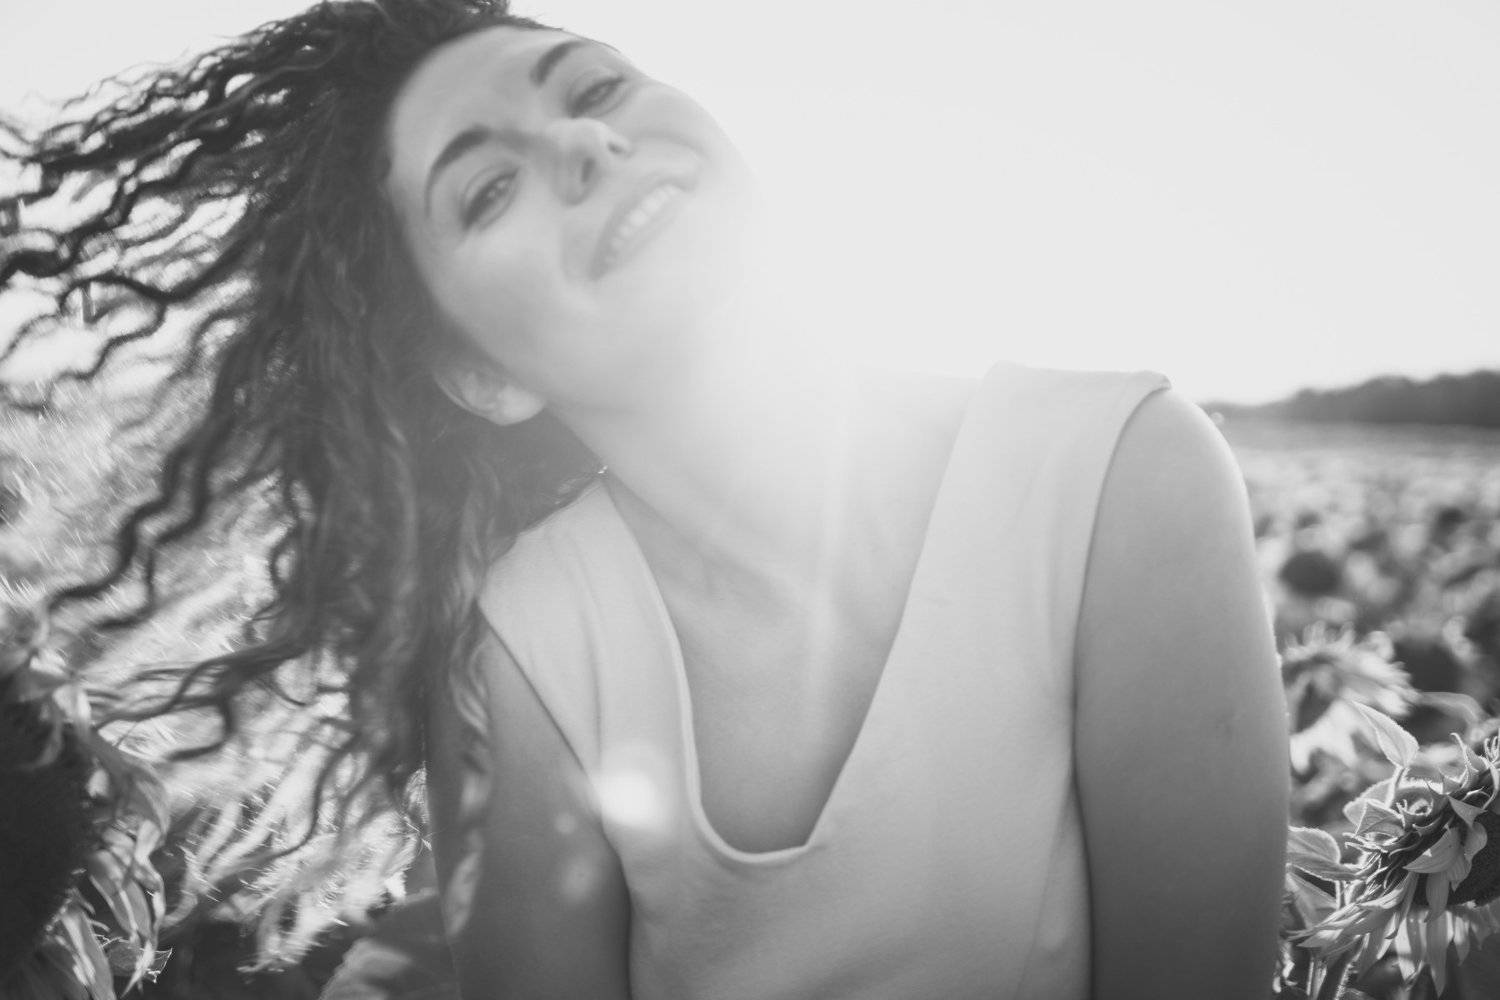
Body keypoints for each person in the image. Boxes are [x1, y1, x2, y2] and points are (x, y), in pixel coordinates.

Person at [0, 1, 1291, 997]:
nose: (584, 142)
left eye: (597, 87)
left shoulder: (1122, 477)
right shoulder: (529, 646)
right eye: (487, 188)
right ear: (482, 375)